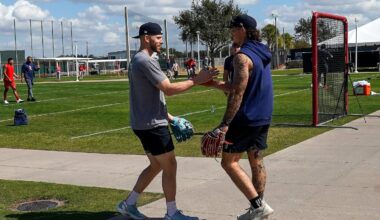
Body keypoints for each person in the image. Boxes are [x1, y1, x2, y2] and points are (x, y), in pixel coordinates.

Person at [116, 22, 217, 220]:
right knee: (170, 165)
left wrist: (170, 118)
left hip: (145, 122)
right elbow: (168, 89)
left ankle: (128, 204)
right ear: (147, 38)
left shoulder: (139, 59)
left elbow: (148, 96)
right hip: (152, 125)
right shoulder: (145, 60)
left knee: (156, 165)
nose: (161, 41)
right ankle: (172, 213)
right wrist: (197, 80)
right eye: (158, 38)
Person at [201, 14, 274, 220]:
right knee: (256, 159)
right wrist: (215, 84)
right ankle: (258, 210)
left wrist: (224, 124)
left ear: (242, 29)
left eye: (233, 29)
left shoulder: (242, 57)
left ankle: (258, 206)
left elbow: (237, 93)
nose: (231, 33)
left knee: (228, 162)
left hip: (246, 117)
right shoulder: (261, 51)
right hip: (263, 115)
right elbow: (238, 86)